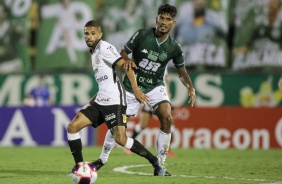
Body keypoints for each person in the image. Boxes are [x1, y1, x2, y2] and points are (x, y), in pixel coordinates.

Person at [92, 4, 196, 176]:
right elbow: (123, 52)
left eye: (168, 19)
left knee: (167, 116)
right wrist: (127, 60)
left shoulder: (174, 47)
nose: (163, 22)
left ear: (173, 23)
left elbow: (181, 72)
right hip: (131, 88)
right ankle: (102, 159)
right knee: (116, 127)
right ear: (156, 19)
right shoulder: (142, 35)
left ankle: (160, 164)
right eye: (161, 18)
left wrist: (191, 88)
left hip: (155, 87)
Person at [67, 20, 167, 176]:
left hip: (114, 101)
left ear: (100, 34)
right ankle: (81, 169)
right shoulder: (93, 51)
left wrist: (136, 90)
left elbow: (127, 66)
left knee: (121, 139)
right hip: (100, 99)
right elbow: (104, 81)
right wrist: (91, 101)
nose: (89, 36)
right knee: (72, 127)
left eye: (93, 33)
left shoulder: (105, 48)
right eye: (86, 33)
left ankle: (154, 161)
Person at [124, 68, 176, 157]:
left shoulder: (164, 63)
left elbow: (165, 78)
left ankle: (166, 150)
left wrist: (168, 92)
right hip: (150, 95)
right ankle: (129, 144)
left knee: (169, 123)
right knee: (143, 125)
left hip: (162, 96)